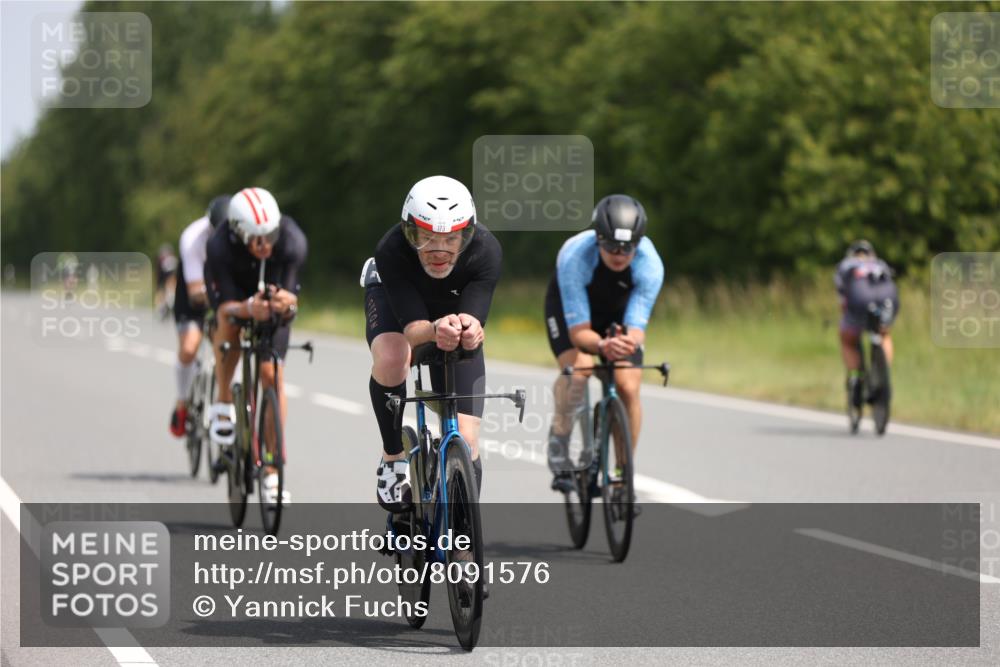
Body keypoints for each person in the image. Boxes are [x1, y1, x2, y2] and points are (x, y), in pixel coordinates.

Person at [363, 175, 501, 512]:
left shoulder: (486, 250)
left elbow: (473, 319)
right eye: (426, 238)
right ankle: (393, 457)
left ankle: (463, 546)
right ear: (410, 233)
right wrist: (436, 327)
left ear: (467, 236)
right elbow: (412, 331)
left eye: (451, 240)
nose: (438, 251)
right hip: (400, 304)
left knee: (467, 441)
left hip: (449, 308)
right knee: (395, 356)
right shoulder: (391, 249)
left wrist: (470, 329)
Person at [544, 194, 664, 492]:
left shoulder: (651, 266)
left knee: (628, 386)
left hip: (617, 312)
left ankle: (624, 472)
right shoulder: (576, 258)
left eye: (628, 247)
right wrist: (600, 348)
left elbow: (636, 330)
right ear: (598, 238)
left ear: (639, 242)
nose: (619, 253)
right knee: (580, 370)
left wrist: (624, 344)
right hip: (572, 310)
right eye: (611, 245)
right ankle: (559, 444)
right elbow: (579, 333)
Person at [205, 187, 308, 504]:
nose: (264, 246)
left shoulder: (291, 240)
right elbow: (224, 309)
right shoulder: (219, 245)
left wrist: (286, 303)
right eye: (255, 239)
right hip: (236, 296)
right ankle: (223, 403)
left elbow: (292, 301)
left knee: (272, 375)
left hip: (271, 302)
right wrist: (246, 308)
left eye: (269, 236)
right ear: (237, 233)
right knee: (229, 329)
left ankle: (272, 469)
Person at [168, 195, 230, 438]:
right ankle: (182, 402)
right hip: (194, 290)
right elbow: (196, 292)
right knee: (189, 348)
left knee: (227, 346)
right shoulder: (193, 237)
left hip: (222, 286)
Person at [834, 240, 899, 406]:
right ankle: (882, 373)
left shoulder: (846, 265)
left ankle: (855, 377)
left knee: (848, 340)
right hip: (887, 299)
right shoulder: (880, 263)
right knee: (884, 334)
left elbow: (843, 299)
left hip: (859, 301)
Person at [155, 244, 179, 319]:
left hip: (169, 279)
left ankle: (165, 305)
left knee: (165, 290)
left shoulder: (170, 261)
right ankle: (164, 306)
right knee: (163, 291)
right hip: (166, 279)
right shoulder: (171, 260)